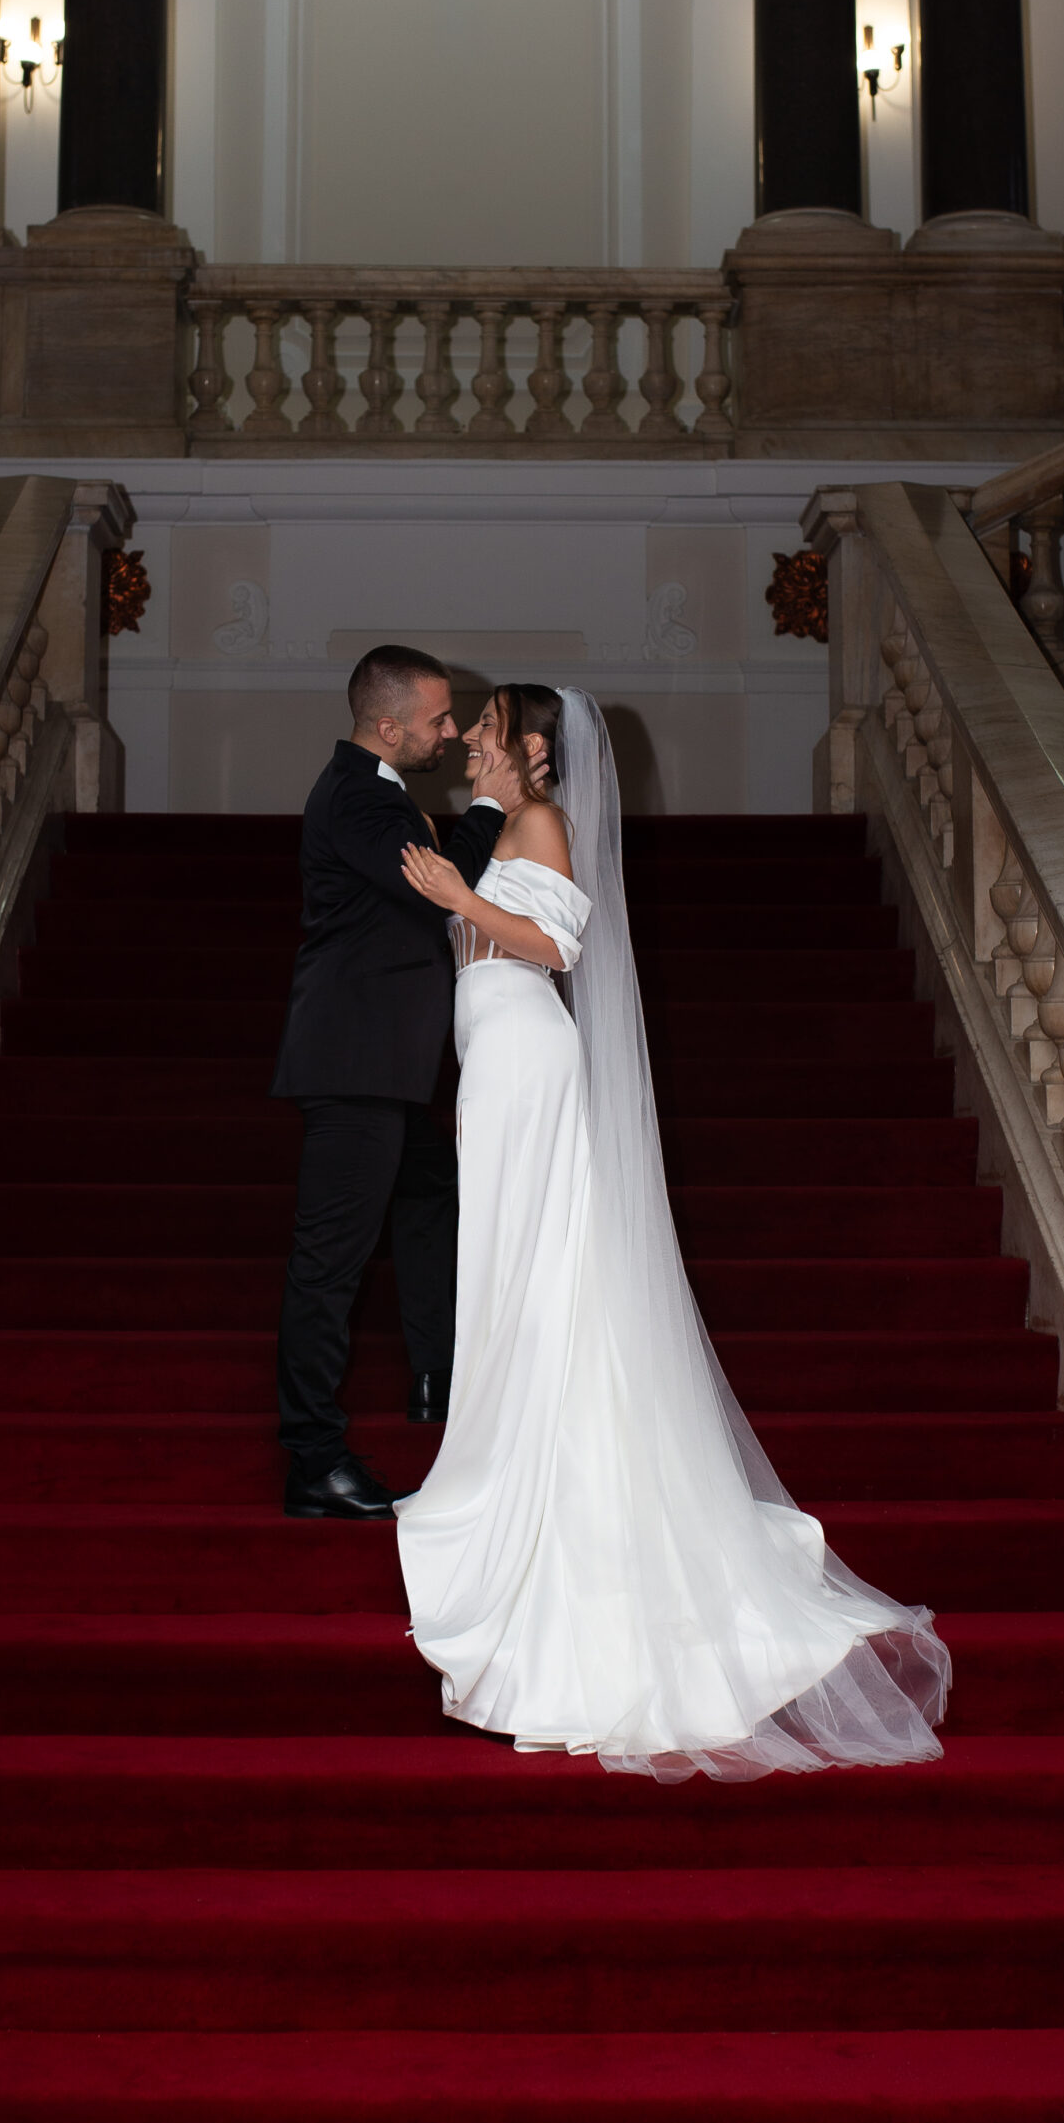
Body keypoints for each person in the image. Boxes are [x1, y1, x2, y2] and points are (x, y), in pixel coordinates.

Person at [394, 685, 951, 1781]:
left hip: (528, 1065)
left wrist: (461, 894)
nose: (467, 741)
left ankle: (549, 1515)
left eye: (488, 730)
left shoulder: (539, 824)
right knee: (512, 1287)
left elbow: (552, 947)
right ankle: (513, 1481)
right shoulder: (500, 829)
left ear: (535, 749)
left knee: (543, 1285)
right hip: (497, 1073)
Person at [271, 644, 529, 1519]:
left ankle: (437, 1377)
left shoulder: (381, 793)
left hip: (389, 1062)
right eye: (437, 721)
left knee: (432, 1201)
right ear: (387, 727)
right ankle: (312, 1461)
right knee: (328, 1265)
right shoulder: (356, 796)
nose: (450, 734)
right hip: (355, 1064)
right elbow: (440, 889)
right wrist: (493, 800)